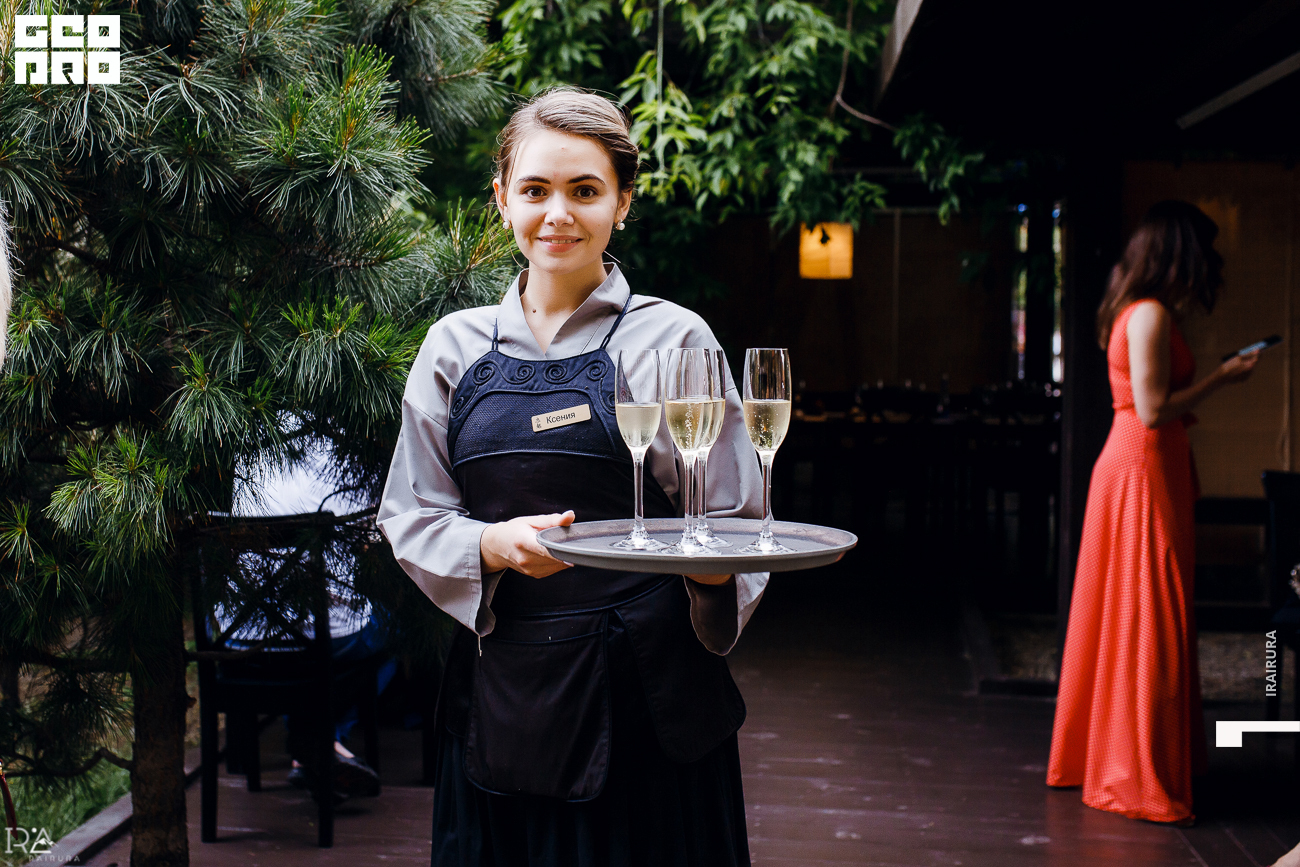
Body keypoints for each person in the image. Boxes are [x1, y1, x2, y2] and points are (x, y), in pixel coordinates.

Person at [377, 88, 767, 866]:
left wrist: (716, 572)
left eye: (585, 190)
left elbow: (733, 518)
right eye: (535, 190)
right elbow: (412, 511)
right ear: (502, 200)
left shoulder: (674, 336)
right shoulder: (453, 346)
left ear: (623, 202)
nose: (558, 214)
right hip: (502, 699)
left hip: (650, 711)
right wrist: (490, 544)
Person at [1046, 200, 1259, 824]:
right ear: (1180, 254)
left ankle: (1134, 754)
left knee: (1139, 610)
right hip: (1140, 468)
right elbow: (1153, 409)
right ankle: (1135, 767)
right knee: (1149, 612)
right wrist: (1222, 378)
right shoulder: (1150, 313)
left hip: (1145, 465)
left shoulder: (1138, 309)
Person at [230, 433, 395, 798]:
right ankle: (324, 739)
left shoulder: (251, 436)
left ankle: (311, 750)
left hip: (239, 638)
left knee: (308, 640)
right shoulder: (347, 441)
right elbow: (371, 537)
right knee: (391, 628)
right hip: (325, 639)